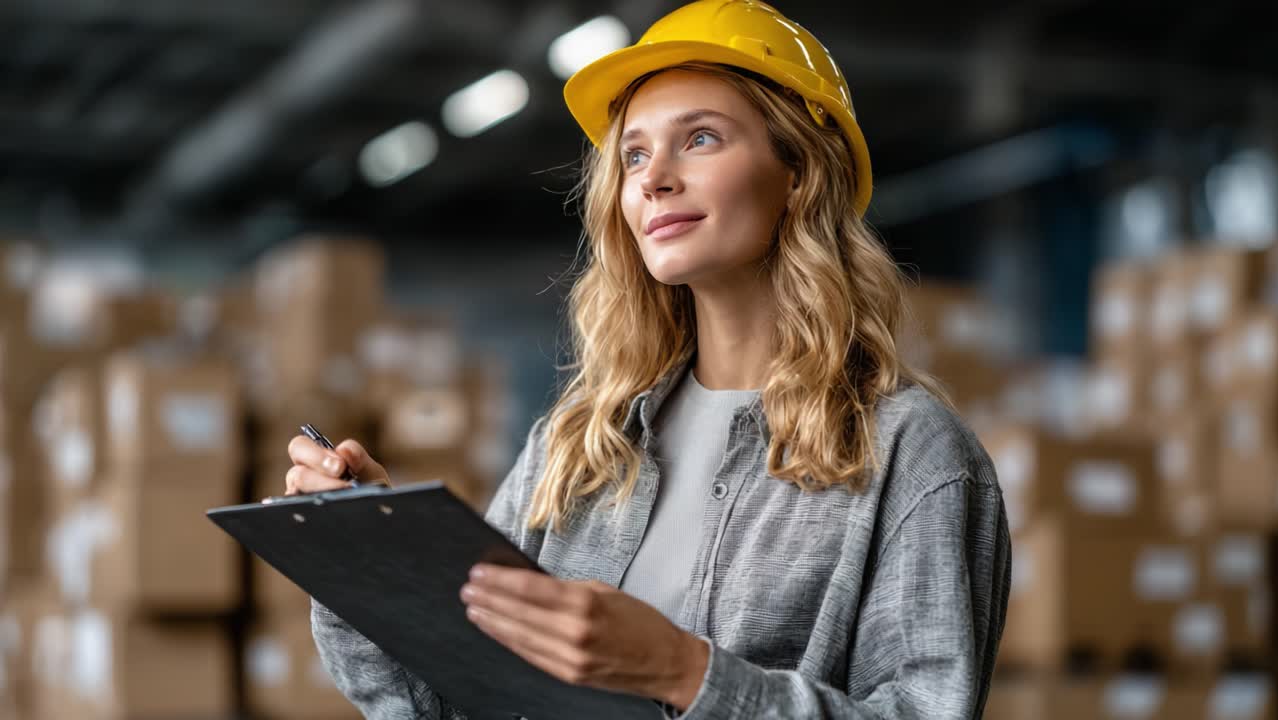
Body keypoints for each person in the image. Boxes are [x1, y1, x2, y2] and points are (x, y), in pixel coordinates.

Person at [286, 1, 1010, 717]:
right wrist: (378, 560)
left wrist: (685, 672)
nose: (653, 177)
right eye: (634, 154)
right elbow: (453, 702)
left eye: (700, 139)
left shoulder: (911, 455)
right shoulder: (577, 445)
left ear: (798, 174)